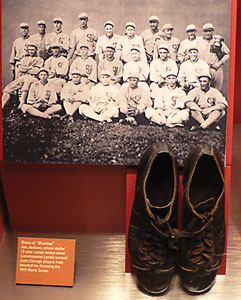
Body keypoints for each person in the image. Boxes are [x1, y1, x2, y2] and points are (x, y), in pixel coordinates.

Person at [2, 43, 44, 109]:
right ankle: (2, 106)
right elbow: (20, 69)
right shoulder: (24, 59)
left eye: (32, 50)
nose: (31, 51)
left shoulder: (39, 59)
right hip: (23, 77)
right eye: (29, 50)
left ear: (36, 50)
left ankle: (21, 104)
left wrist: (25, 68)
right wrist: (30, 68)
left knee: (26, 84)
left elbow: (36, 71)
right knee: (8, 88)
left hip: (33, 78)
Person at [197, 23, 229, 90]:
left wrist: (219, 63)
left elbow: (227, 54)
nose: (208, 33)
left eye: (209, 31)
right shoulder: (198, 42)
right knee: (202, 89)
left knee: (216, 90)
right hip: (202, 69)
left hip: (215, 68)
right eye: (206, 31)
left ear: (212, 32)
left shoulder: (217, 41)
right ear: (203, 32)